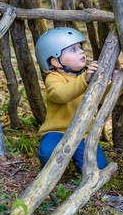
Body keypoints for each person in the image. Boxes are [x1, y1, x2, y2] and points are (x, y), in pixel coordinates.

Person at [34, 27, 108, 172]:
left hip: (83, 134)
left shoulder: (87, 76)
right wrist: (84, 80)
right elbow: (60, 94)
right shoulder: (54, 78)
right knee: (48, 153)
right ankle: (52, 167)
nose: (81, 52)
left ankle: (79, 161)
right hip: (57, 132)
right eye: (73, 50)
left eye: (80, 48)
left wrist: (118, 83)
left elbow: (102, 95)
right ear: (55, 61)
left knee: (98, 167)